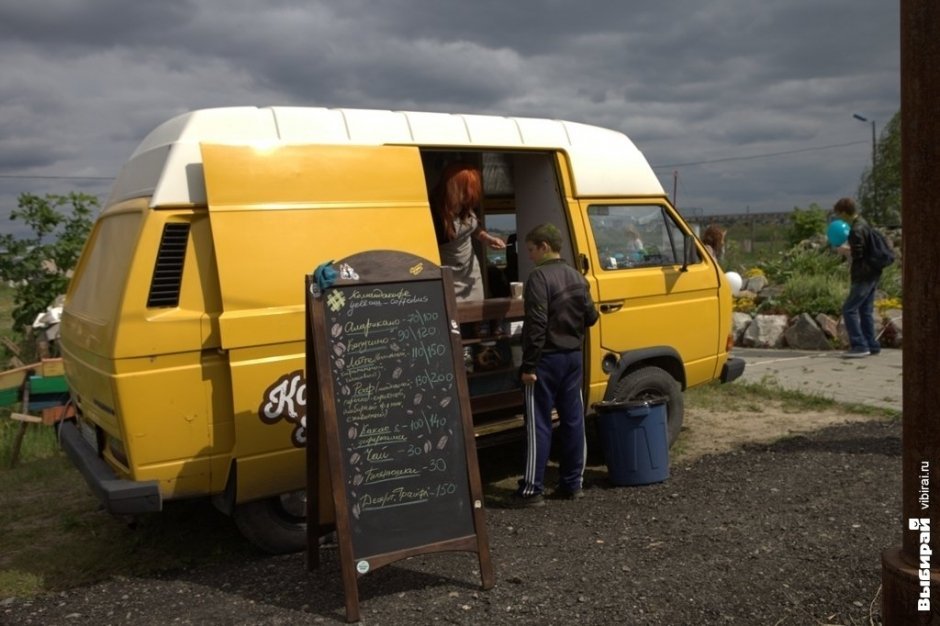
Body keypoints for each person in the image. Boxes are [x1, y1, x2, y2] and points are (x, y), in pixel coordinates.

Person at [513, 223, 599, 507]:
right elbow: (591, 316)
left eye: (531, 250)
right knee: (573, 420)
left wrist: (528, 366)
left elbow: (537, 324)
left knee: (538, 423)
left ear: (544, 247)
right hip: (573, 357)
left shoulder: (538, 278)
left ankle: (532, 489)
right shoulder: (577, 276)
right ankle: (572, 483)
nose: (530, 256)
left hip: (545, 360)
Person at [430, 163, 506, 300]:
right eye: (463, 189)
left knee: (476, 311)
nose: (466, 195)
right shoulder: (433, 212)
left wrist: (487, 238)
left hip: (470, 272)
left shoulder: (466, 205)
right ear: (449, 185)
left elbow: (473, 227)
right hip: (448, 274)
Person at [832, 197, 882, 358]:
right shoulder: (865, 224)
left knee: (849, 309)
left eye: (839, 215)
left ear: (845, 213)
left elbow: (859, 254)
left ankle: (859, 345)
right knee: (865, 310)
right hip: (873, 273)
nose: (839, 218)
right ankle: (871, 344)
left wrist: (844, 250)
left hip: (863, 275)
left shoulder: (856, 229)